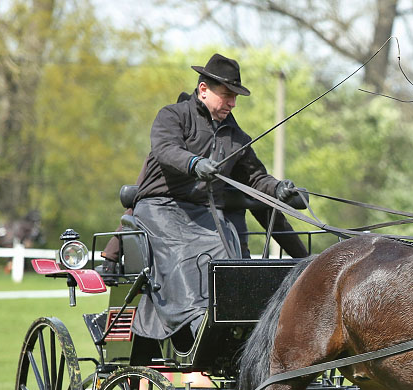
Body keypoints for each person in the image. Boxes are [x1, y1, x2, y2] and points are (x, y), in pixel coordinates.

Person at [130, 53, 307, 351]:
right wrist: (193, 163)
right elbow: (165, 149)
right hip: (160, 207)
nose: (232, 103)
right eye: (227, 95)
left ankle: (233, 324)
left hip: (203, 212)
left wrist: (279, 189)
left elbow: (254, 179)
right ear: (203, 90)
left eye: (235, 97)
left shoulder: (236, 137)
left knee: (227, 248)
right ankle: (194, 321)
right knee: (190, 251)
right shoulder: (172, 116)